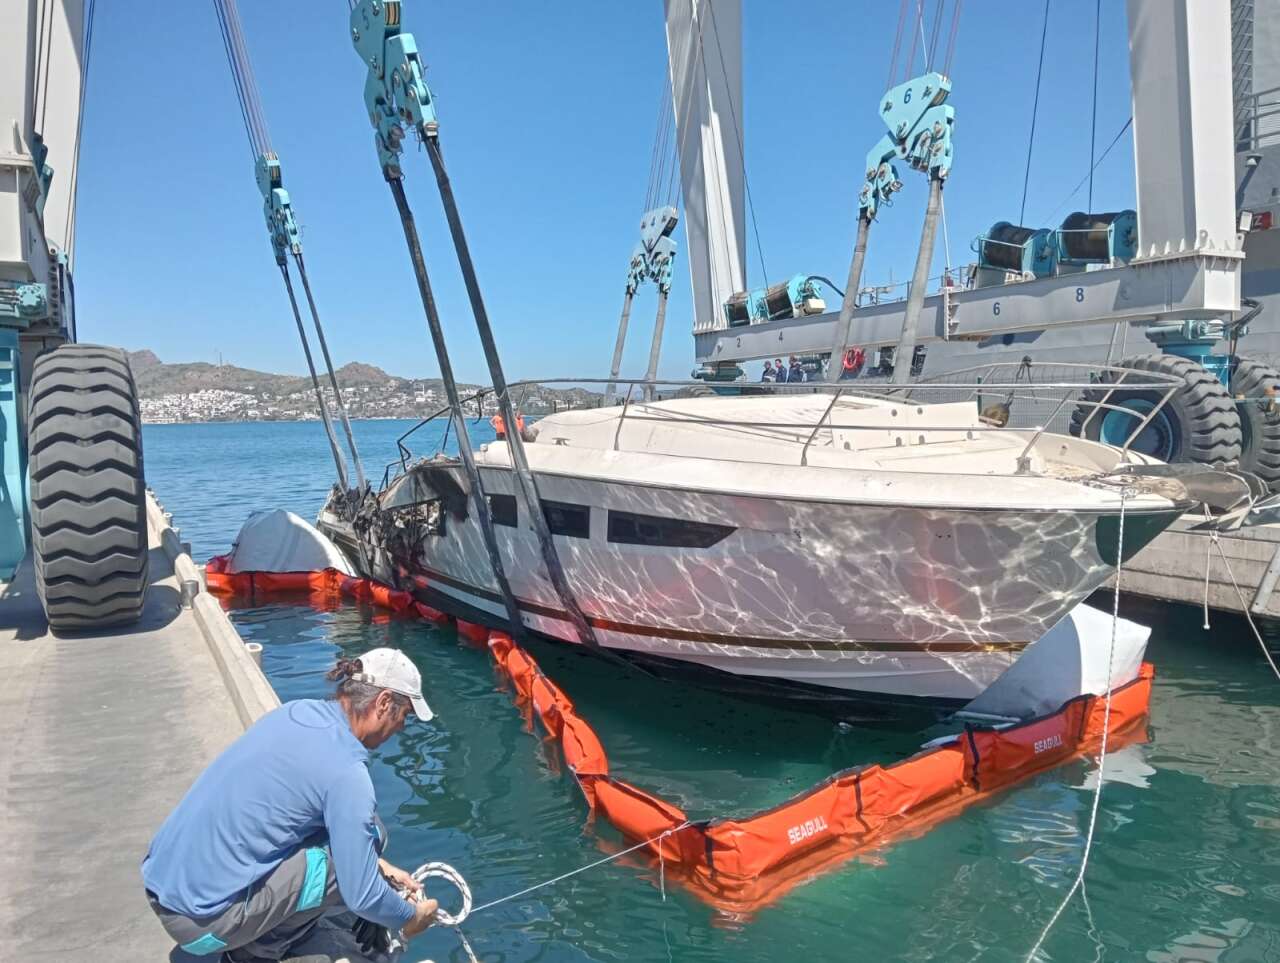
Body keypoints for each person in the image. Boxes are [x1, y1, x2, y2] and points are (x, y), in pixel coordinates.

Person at [142, 648, 439, 962]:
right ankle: (256, 953)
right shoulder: (348, 773)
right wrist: (410, 917)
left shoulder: (297, 713)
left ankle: (262, 928)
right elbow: (362, 894)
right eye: (404, 714)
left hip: (163, 891)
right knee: (351, 861)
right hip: (204, 930)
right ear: (383, 703)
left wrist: (382, 868)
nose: (403, 727)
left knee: (367, 840)